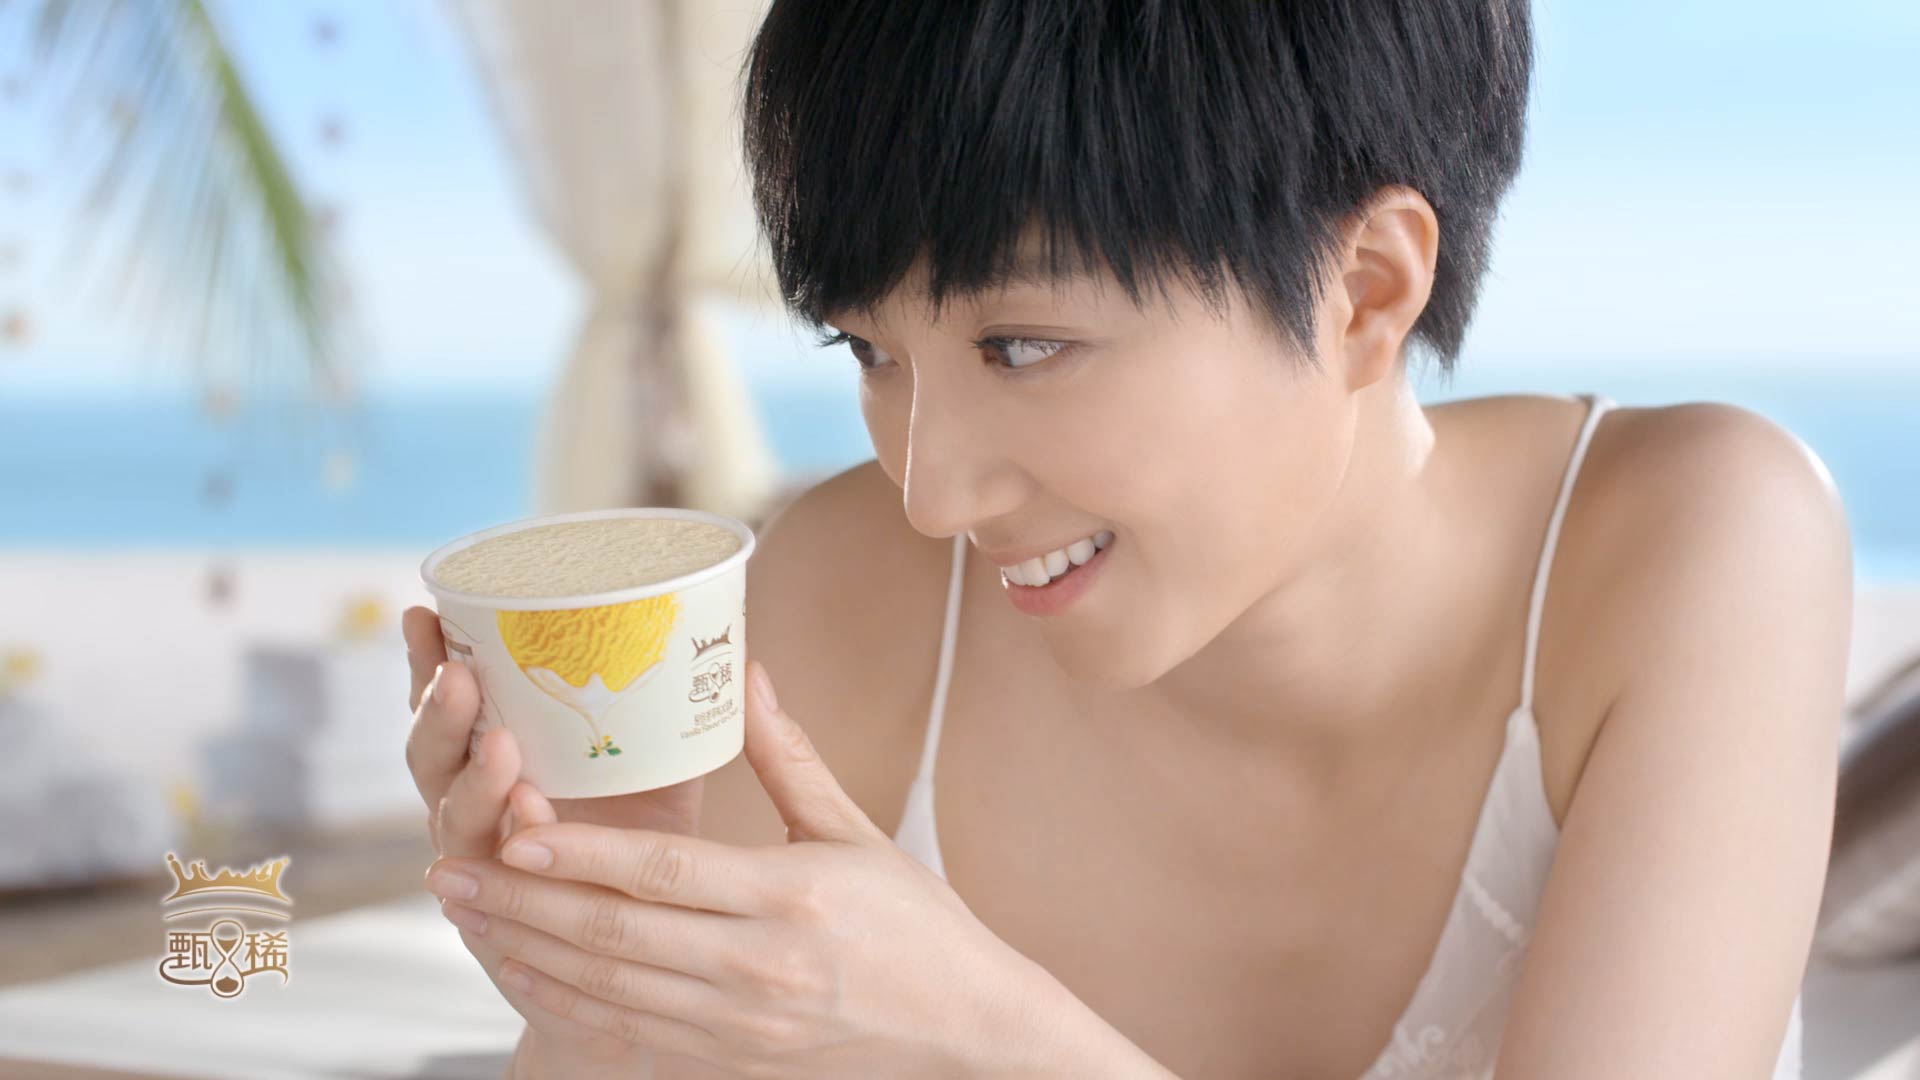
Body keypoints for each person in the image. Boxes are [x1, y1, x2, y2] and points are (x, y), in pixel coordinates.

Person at [402, 1, 1854, 1076]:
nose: (931, 494)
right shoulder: (848, 592)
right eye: (872, 351)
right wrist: (604, 995)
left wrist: (982, 1030)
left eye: (1023, 346)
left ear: (1364, 289)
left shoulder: (1693, 552)